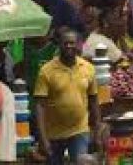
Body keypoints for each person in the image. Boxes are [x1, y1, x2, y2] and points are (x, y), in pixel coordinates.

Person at [33, 29, 99, 165]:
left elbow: (93, 100)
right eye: (65, 43)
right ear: (59, 45)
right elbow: (40, 105)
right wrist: (43, 138)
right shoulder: (46, 71)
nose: (69, 46)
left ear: (79, 45)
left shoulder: (88, 68)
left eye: (72, 43)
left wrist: (96, 129)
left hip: (79, 130)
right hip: (53, 133)